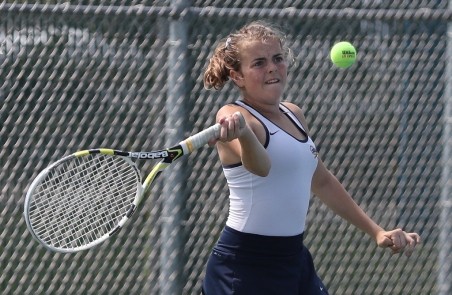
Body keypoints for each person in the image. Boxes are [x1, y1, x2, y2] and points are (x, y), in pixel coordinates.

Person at [201, 21, 421, 295]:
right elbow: (260, 166)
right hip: (245, 265)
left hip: (294, 259)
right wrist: (244, 134)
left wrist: (376, 231)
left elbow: (321, 181)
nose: (272, 67)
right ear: (237, 76)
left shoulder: (294, 114)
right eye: (258, 63)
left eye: (277, 58)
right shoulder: (232, 115)